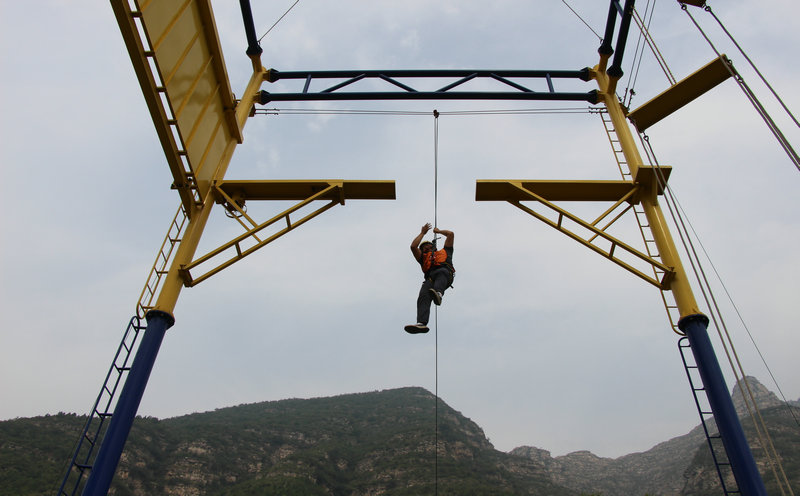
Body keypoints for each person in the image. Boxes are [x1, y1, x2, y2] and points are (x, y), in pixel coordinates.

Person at [405, 223, 455, 334]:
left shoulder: (446, 251)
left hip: (445, 273)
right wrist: (422, 233)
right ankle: (422, 323)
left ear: (433, 246)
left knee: (441, 272)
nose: (426, 247)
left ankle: (439, 294)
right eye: (423, 247)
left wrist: (439, 231)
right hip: (430, 278)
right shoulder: (422, 258)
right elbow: (413, 247)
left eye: (428, 245)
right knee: (423, 294)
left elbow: (451, 234)